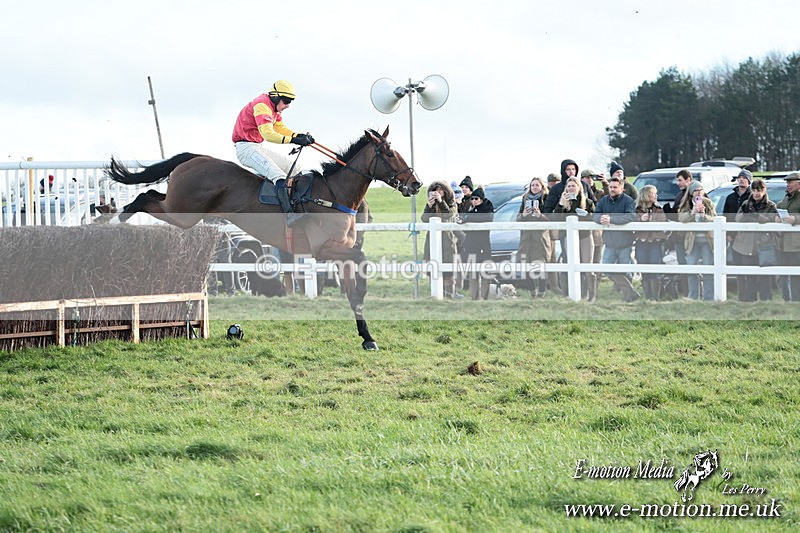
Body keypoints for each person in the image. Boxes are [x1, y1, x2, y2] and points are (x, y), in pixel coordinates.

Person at [231, 80, 314, 226]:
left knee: (295, 168)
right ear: (275, 97)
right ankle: (289, 215)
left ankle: (293, 202)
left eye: (290, 102)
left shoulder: (274, 109)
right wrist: (294, 140)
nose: (288, 105)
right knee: (280, 176)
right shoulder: (262, 105)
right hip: (246, 149)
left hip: (257, 146)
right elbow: (269, 134)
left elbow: (281, 129)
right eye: (286, 101)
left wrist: (299, 136)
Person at [593, 176, 639, 302]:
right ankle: (630, 292)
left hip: (625, 242)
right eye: (610, 187)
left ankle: (628, 296)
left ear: (622, 188)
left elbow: (630, 217)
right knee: (607, 269)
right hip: (609, 242)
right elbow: (595, 214)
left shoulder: (628, 201)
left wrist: (611, 219)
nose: (612, 189)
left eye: (615, 187)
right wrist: (600, 219)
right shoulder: (603, 201)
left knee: (626, 271)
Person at [732, 179, 777, 302]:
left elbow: (772, 220)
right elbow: (737, 218)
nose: (756, 193)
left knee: (765, 276)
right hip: (746, 245)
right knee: (749, 275)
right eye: (754, 190)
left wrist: (757, 216)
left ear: (764, 190)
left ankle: (766, 300)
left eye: (759, 190)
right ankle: (749, 300)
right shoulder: (746, 204)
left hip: (763, 244)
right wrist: (746, 214)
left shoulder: (771, 205)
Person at [554, 177, 596, 302]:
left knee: (587, 266)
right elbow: (556, 218)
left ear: (579, 188)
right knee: (571, 264)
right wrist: (561, 203)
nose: (571, 188)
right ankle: (572, 294)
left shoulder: (587, 202)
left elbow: (595, 217)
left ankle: (591, 295)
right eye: (569, 186)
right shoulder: (563, 201)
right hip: (568, 237)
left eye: (573, 186)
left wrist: (587, 215)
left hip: (585, 236)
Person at [421, 181, 462, 299]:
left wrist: (441, 202)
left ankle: (450, 294)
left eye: (441, 190)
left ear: (445, 191)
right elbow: (424, 219)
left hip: (447, 239)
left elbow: (448, 215)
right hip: (432, 240)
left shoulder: (452, 203)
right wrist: (429, 207)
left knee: (448, 268)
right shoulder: (431, 204)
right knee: (432, 265)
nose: (438, 193)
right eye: (436, 190)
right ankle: (435, 294)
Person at [678, 181, 717, 301]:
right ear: (691, 192)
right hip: (692, 242)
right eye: (696, 190)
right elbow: (682, 218)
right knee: (691, 268)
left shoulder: (709, 203)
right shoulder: (686, 204)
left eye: (701, 189)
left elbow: (715, 219)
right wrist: (693, 212)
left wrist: (704, 216)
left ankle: (709, 298)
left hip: (707, 241)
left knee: (708, 269)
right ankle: (693, 296)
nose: (699, 192)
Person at [516, 177, 551, 298]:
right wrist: (523, 215)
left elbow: (551, 219)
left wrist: (540, 215)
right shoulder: (525, 198)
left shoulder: (546, 198)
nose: (534, 187)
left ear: (542, 186)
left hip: (540, 238)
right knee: (525, 267)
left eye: (537, 185)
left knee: (539, 266)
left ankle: (542, 292)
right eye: (532, 185)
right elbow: (518, 218)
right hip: (526, 238)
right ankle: (532, 292)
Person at [460, 187, 494, 300]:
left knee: (485, 273)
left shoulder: (487, 209)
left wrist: (468, 218)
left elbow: (486, 218)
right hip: (471, 245)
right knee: (473, 273)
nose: (474, 200)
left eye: (476, 198)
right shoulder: (470, 210)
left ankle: (484, 298)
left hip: (484, 245)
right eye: (472, 198)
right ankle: (474, 298)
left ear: (481, 199)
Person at [634, 185, 667, 300]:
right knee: (643, 268)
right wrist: (639, 220)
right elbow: (631, 222)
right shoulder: (636, 209)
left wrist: (652, 220)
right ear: (647, 195)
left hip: (655, 242)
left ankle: (655, 297)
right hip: (641, 242)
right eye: (654, 193)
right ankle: (648, 297)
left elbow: (663, 222)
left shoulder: (659, 208)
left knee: (655, 268)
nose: (656, 195)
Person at [775, 172, 800, 301]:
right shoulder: (786, 198)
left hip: (796, 244)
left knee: (797, 274)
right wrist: (777, 217)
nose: (788, 184)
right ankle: (787, 299)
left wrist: (795, 219)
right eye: (787, 182)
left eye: (790, 182)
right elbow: (779, 207)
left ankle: (796, 300)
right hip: (783, 243)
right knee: (784, 272)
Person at [723, 169, 753, 272]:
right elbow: (725, 216)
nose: (741, 180)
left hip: (747, 236)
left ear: (749, 181)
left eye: (744, 178)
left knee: (748, 264)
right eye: (739, 177)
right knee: (737, 264)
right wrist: (728, 233)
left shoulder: (752, 197)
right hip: (733, 236)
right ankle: (741, 288)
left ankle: (750, 288)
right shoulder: (730, 197)